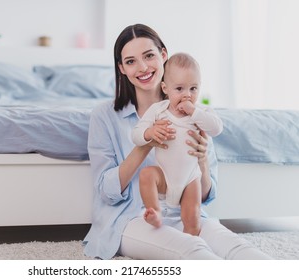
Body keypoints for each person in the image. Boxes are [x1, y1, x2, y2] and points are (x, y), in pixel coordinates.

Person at [83, 23, 272, 260]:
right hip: (131, 218)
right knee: (193, 250)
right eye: (131, 61)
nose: (142, 67)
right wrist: (147, 142)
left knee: (240, 249)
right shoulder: (104, 116)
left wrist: (202, 161)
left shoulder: (194, 114)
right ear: (121, 68)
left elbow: (205, 195)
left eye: (149, 56)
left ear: (163, 55)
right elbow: (106, 191)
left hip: (188, 213)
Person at [131, 52, 223, 236]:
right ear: (165, 88)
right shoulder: (159, 111)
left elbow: (217, 128)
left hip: (190, 178)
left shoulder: (202, 112)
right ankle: (154, 211)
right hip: (164, 176)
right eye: (180, 89)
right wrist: (150, 132)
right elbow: (136, 135)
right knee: (146, 175)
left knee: (192, 217)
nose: (187, 95)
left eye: (193, 89)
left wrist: (194, 112)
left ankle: (192, 241)